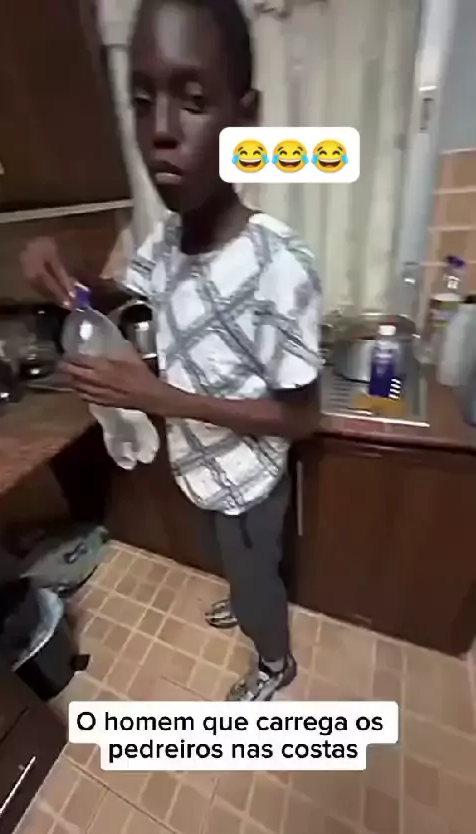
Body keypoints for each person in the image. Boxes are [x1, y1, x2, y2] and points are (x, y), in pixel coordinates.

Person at [20, 0, 321, 701]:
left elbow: (302, 418)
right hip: (200, 472)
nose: (160, 130)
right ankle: (246, 596)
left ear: (244, 117)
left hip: (252, 483)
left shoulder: (280, 265)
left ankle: (275, 661)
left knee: (256, 576)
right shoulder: (165, 244)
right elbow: (125, 296)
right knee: (232, 562)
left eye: (192, 99)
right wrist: (69, 280)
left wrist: (159, 397)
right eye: (141, 99)